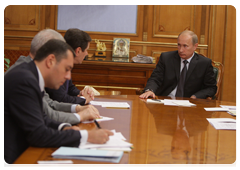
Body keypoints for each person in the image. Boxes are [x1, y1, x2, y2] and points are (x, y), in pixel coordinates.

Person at [4, 39, 113, 167]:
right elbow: (38, 135)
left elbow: (42, 117)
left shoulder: (30, 75)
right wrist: (85, 136)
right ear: (50, 61)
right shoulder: (25, 80)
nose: (68, 77)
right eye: (66, 69)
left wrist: (63, 127)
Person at [5, 29, 98, 125]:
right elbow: (46, 117)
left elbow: (49, 104)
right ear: (50, 56)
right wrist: (81, 117)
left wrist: (77, 108)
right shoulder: (24, 77)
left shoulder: (31, 69)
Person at [139, 30, 217, 99]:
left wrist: (195, 96)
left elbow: (211, 88)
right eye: (179, 45)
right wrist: (149, 90)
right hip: (165, 102)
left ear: (195, 46)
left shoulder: (204, 63)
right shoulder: (166, 58)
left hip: (189, 105)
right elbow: (155, 79)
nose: (181, 50)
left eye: (185, 46)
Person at [45, 28, 94, 105]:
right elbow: (61, 98)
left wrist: (81, 93)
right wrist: (83, 100)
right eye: (86, 50)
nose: (87, 54)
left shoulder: (66, 62)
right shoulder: (58, 65)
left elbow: (70, 88)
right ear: (78, 51)